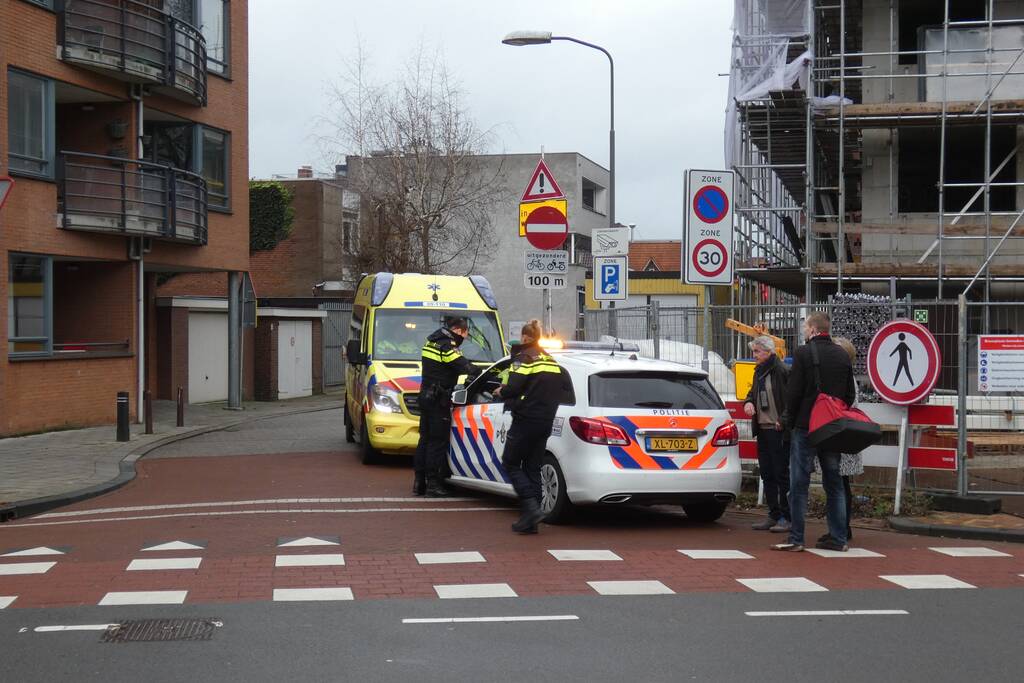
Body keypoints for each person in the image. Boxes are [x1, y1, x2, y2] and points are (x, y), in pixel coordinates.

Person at [772, 312, 856, 553]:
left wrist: (789, 419)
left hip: (806, 426)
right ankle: (839, 538)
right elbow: (849, 394)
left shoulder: (803, 353)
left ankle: (797, 538)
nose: (803, 330)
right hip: (832, 429)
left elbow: (794, 392)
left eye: (804, 326)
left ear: (811, 328)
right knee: (834, 483)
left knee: (799, 483)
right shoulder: (842, 355)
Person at [494, 320, 569, 534]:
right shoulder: (551, 360)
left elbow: (513, 387)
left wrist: (502, 391)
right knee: (532, 467)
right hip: (546, 420)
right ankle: (531, 521)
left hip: (526, 418)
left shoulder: (525, 358)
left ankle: (530, 506)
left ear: (525, 338)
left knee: (510, 462)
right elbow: (561, 388)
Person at [414, 316, 481, 497]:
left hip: (426, 396)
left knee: (424, 440)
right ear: (459, 330)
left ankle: (419, 482)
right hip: (438, 400)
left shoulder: (431, 341)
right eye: (464, 336)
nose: (463, 340)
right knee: (437, 442)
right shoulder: (447, 346)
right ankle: (433, 485)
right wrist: (477, 372)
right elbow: (463, 365)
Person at [742, 336, 791, 534]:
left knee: (781, 473)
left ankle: (787, 516)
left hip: (777, 429)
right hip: (763, 429)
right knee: (767, 472)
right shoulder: (758, 372)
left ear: (768, 351)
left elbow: (791, 400)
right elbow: (752, 393)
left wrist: (784, 420)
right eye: (754, 351)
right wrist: (748, 402)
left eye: (757, 352)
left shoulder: (781, 371)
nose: (754, 356)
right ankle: (773, 513)